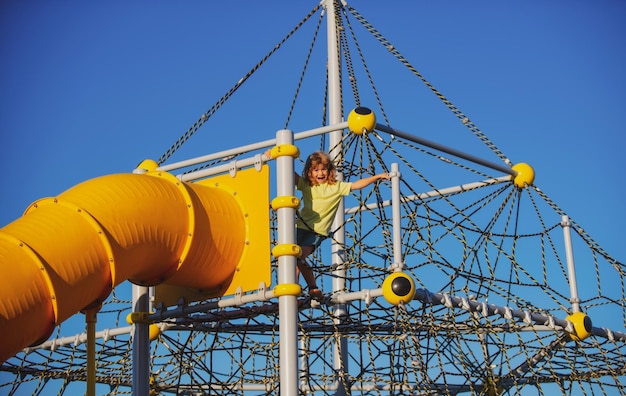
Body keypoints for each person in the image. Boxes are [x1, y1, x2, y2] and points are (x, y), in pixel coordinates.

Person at [266, 149, 390, 300]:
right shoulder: (306, 185)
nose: (320, 173)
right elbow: (289, 174)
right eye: (316, 170)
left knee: (297, 256)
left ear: (329, 170)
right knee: (292, 259)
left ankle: (301, 291)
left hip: (317, 232)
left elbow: (357, 185)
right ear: (309, 172)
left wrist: (377, 176)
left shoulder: (336, 187)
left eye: (323, 169)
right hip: (300, 227)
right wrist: (277, 156)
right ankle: (306, 290)